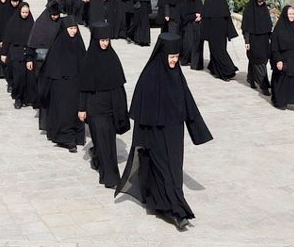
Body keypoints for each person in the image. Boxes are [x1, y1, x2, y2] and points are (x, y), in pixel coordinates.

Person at [115, 33, 213, 231]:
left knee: (174, 172)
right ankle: (178, 212)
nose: (174, 61)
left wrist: (198, 131)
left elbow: (188, 103)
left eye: (177, 57)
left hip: (175, 134)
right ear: (162, 55)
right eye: (171, 57)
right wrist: (141, 140)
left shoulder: (177, 74)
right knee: (165, 172)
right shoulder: (150, 76)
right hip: (155, 137)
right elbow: (141, 111)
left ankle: (163, 205)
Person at [78, 24, 129, 189]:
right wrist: (81, 108)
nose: (105, 44)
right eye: (102, 40)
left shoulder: (112, 58)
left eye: (107, 40)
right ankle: (110, 177)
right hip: (95, 109)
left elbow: (119, 86)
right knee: (101, 141)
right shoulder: (89, 59)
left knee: (109, 143)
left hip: (110, 108)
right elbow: (83, 87)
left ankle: (102, 164)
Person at [39, 16, 86, 152]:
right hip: (61, 86)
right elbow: (50, 68)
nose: (73, 31)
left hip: (76, 85)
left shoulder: (78, 44)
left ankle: (76, 136)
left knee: (74, 112)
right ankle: (66, 139)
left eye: (75, 28)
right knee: (63, 113)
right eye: (70, 29)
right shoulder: (58, 45)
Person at [28, 0, 63, 130]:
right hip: (41, 63)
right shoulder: (41, 23)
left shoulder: (61, 23)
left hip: (57, 63)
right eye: (53, 15)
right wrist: (29, 59)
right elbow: (32, 42)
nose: (55, 17)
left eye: (57, 15)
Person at [1, 0, 37, 109]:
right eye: (23, 12)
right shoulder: (13, 23)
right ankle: (18, 98)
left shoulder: (31, 23)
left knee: (28, 78)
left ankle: (26, 98)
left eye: (27, 12)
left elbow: (34, 40)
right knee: (18, 78)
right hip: (15, 53)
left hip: (28, 54)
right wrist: (4, 53)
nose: (25, 14)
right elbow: (7, 38)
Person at [202, 0, 238, 81]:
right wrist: (206, 33)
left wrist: (229, 32)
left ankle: (215, 69)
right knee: (217, 51)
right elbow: (206, 17)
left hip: (222, 32)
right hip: (213, 32)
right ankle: (227, 71)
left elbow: (227, 17)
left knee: (220, 50)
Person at [241, 0, 272, 96]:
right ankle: (264, 86)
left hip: (264, 40)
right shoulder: (248, 11)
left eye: (262, 1)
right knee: (258, 61)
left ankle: (251, 77)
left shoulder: (264, 10)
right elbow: (246, 28)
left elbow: (268, 25)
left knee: (260, 60)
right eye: (259, 1)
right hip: (253, 40)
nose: (261, 3)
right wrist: (247, 41)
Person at [178, 0, 204, 70]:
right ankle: (185, 60)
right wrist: (194, 16)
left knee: (196, 45)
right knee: (188, 44)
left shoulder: (198, 2)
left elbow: (202, 11)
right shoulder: (185, 2)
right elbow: (184, 16)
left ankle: (195, 62)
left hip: (197, 26)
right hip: (188, 26)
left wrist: (200, 17)